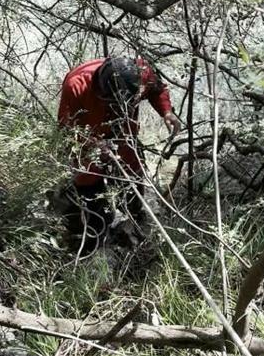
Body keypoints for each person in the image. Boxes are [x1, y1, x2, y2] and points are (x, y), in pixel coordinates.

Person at [57, 56, 180, 250]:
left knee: (132, 175)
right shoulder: (76, 85)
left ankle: (134, 218)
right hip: (89, 141)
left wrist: (166, 111)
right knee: (88, 180)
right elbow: (66, 128)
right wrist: (92, 143)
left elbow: (157, 89)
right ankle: (94, 230)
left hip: (124, 136)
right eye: (112, 102)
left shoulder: (141, 73)